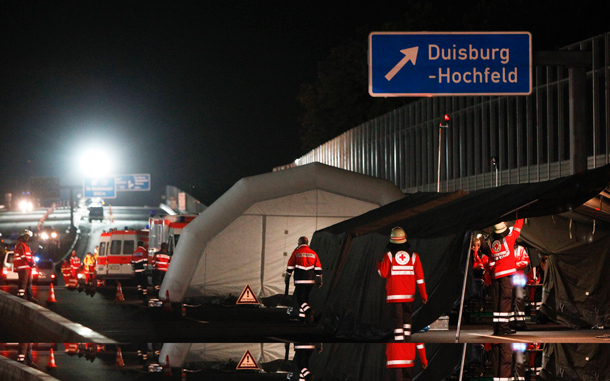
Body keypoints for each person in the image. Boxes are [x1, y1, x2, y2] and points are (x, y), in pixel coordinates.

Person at [377, 227, 428, 342]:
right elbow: (420, 279)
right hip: (409, 296)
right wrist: (424, 296)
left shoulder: (388, 256)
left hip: (394, 296)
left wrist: (379, 264)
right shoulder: (414, 257)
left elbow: (383, 274)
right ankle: (407, 339)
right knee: (407, 319)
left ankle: (399, 342)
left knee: (398, 320)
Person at [489, 219, 524, 335]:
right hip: (506, 275)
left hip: (496, 275)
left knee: (498, 302)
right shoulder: (508, 240)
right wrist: (521, 216)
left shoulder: (494, 244)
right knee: (506, 301)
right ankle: (503, 328)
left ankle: (497, 328)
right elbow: (517, 228)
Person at [285, 236, 322, 322]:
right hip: (311, 280)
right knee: (305, 298)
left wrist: (287, 277)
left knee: (300, 299)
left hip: (300, 280)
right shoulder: (313, 253)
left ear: (300, 242)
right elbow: (318, 269)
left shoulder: (296, 252)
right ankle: (302, 317)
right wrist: (319, 281)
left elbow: (290, 266)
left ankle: (309, 311)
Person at [14, 230, 36, 302]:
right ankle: (21, 296)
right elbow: (23, 255)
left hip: (27, 267)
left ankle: (29, 296)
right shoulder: (20, 245)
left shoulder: (25, 245)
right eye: (26, 237)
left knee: (29, 282)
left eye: (28, 237)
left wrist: (31, 255)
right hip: (23, 267)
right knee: (23, 282)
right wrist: (30, 262)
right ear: (22, 237)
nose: (27, 238)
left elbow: (27, 256)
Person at [513, 244, 530, 330]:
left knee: (520, 298)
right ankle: (510, 322)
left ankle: (521, 322)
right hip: (507, 278)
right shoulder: (504, 247)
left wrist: (514, 265)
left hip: (518, 278)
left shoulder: (521, 249)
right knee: (508, 300)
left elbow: (526, 262)